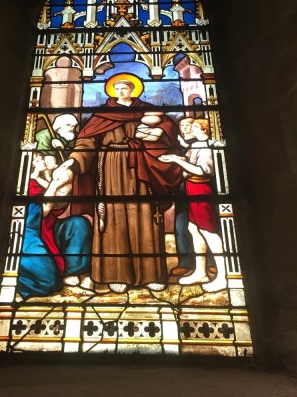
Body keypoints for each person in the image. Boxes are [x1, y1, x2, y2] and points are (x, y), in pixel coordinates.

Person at [51, 74, 181, 293]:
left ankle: (151, 274)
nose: (121, 91)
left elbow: (169, 128)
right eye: (117, 88)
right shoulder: (101, 115)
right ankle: (116, 273)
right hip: (111, 168)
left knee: (145, 216)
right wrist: (73, 161)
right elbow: (86, 142)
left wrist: (160, 131)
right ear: (112, 91)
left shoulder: (147, 110)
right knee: (113, 217)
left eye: (125, 87)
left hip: (141, 167)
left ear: (133, 90)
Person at [159, 119, 227, 293]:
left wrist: (176, 160)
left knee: (208, 231)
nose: (191, 129)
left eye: (195, 126)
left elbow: (202, 170)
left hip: (201, 188)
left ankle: (223, 276)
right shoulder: (196, 145)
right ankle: (200, 271)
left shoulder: (207, 148)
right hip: (191, 188)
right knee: (194, 229)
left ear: (204, 130)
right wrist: (174, 158)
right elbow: (187, 160)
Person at [16, 153, 92, 300]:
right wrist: (54, 184)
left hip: (49, 229)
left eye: (41, 158)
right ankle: (17, 277)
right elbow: (44, 210)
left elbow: (57, 206)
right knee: (48, 281)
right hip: (29, 234)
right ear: (30, 165)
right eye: (37, 160)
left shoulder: (41, 180)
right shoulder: (26, 184)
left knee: (78, 224)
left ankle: (71, 271)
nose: (42, 160)